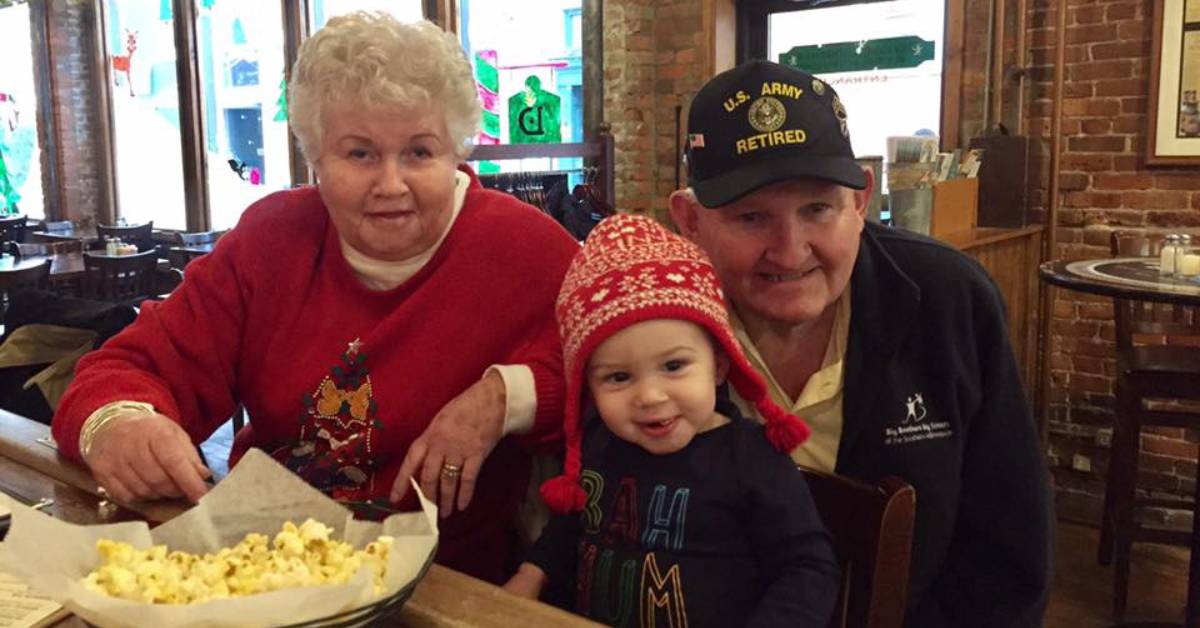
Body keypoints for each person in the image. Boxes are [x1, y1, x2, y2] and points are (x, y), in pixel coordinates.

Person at [50, 12, 579, 584]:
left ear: (456, 151)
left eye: (420, 152)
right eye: (360, 154)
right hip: (264, 569)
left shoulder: (529, 251)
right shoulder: (270, 238)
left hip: (446, 586)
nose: (391, 183)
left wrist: (506, 395)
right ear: (315, 159)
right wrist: (119, 422)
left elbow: (624, 380)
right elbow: (126, 367)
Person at [667, 60, 1053, 627]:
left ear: (861, 200)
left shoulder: (950, 301)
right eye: (751, 217)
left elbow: (1009, 555)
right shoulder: (658, 317)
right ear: (691, 220)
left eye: (817, 209)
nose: (790, 249)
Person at [502, 213, 839, 627]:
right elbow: (573, 526)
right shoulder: (601, 440)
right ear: (588, 385)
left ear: (718, 365)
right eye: (618, 377)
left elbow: (808, 568)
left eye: (674, 366)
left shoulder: (751, 459)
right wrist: (531, 573)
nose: (649, 396)